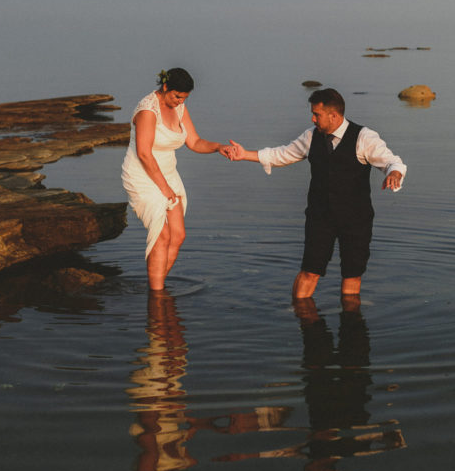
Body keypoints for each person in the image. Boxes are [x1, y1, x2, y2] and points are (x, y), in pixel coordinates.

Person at [225, 88, 407, 299]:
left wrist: (394, 173)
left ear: (334, 115)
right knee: (310, 271)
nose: (312, 119)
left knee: (352, 274)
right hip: (320, 216)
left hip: (356, 219)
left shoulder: (364, 137)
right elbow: (282, 154)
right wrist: (244, 154)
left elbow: (392, 161)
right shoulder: (311, 136)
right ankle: (300, 315)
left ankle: (351, 323)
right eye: (312, 114)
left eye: (316, 115)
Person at [120, 67, 231, 291]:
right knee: (161, 236)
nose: (180, 101)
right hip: (143, 175)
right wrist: (164, 188)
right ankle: (157, 295)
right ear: (165, 87)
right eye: (177, 96)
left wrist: (219, 147)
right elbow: (143, 153)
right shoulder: (147, 110)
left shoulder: (179, 108)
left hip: (168, 173)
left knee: (178, 235)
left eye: (184, 98)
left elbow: (195, 142)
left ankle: (157, 286)